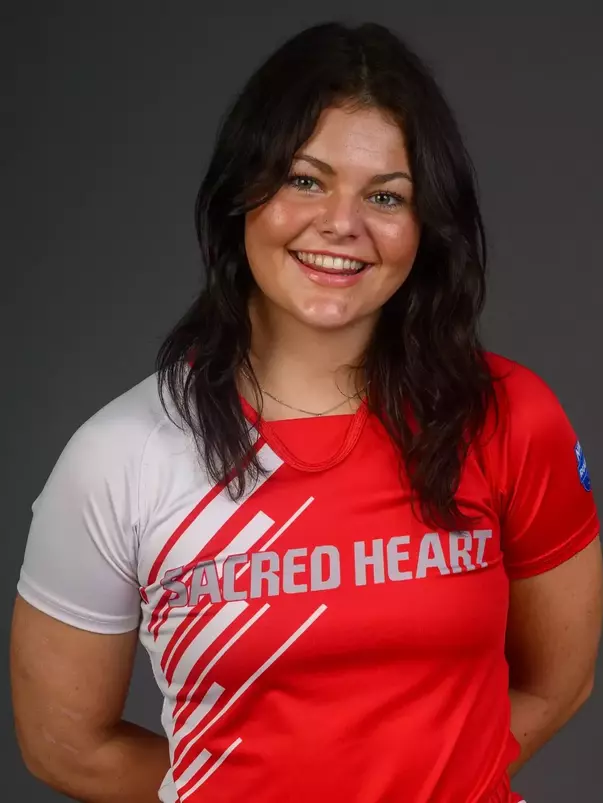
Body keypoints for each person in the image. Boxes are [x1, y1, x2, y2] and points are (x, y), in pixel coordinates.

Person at [10, 20, 602, 803]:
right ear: (240, 198)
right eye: (304, 179)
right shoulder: (120, 455)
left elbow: (557, 680)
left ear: (424, 228)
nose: (341, 224)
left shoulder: (507, 417)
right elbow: (66, 745)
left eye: (386, 195)